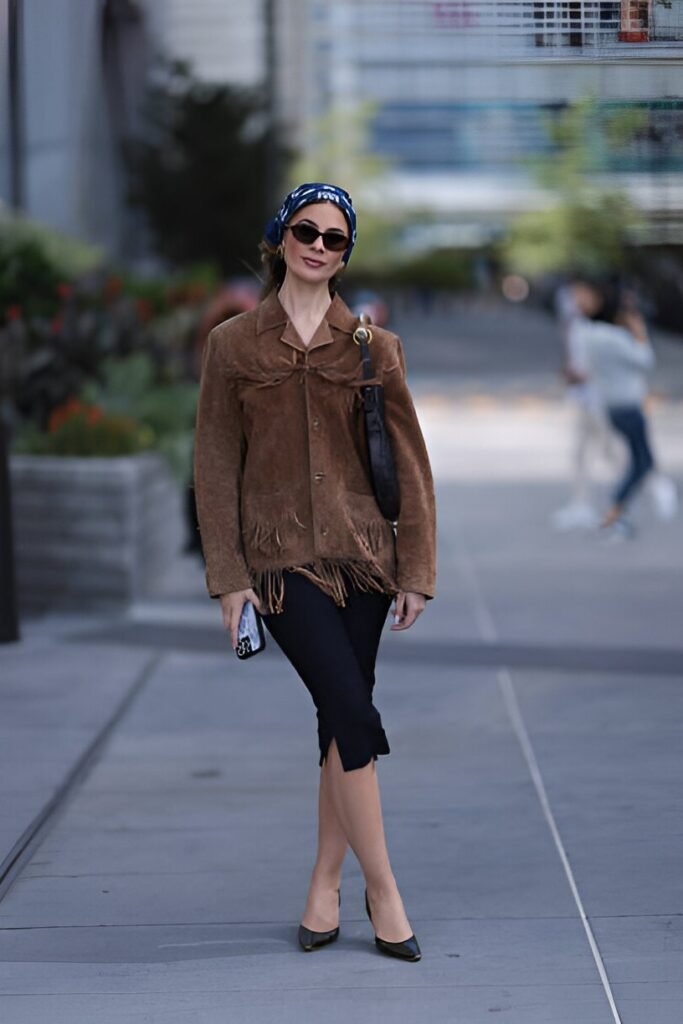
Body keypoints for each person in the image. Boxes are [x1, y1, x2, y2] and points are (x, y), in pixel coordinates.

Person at [192, 182, 437, 961]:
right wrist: (228, 578)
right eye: (307, 231)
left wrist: (416, 569)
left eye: (335, 239)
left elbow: (410, 465)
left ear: (344, 255)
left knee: (340, 718)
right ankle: (384, 890)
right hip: (279, 563)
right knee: (351, 709)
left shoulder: (372, 347)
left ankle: (324, 885)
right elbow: (212, 466)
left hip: (364, 559)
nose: (319, 247)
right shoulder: (233, 345)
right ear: (280, 238)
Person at [569, 278, 676, 538]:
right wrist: (639, 333)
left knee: (636, 461)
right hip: (628, 406)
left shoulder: (590, 335)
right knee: (641, 462)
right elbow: (645, 360)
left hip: (611, 406)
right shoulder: (614, 337)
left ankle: (620, 509)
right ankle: (618, 509)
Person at [551, 281, 620, 531]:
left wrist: (582, 375)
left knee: (612, 453)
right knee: (580, 454)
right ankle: (581, 505)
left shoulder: (603, 327)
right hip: (583, 399)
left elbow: (609, 364)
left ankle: (641, 493)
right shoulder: (576, 324)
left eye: (582, 294)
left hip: (599, 400)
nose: (576, 299)